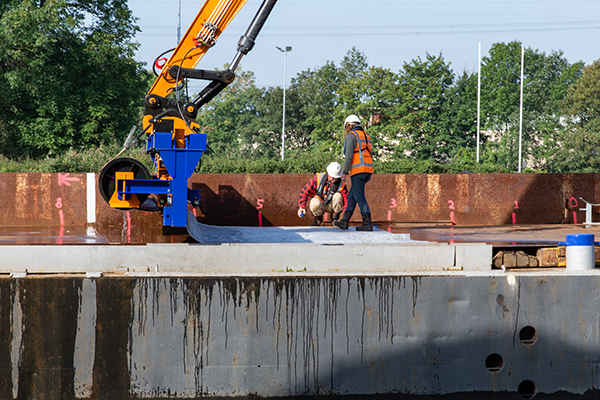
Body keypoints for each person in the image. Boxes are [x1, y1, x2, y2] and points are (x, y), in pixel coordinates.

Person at [334, 114, 374, 231]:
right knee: (352, 195)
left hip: (358, 170)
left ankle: (367, 223)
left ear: (348, 125)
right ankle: (345, 221)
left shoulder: (352, 135)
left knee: (359, 196)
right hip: (367, 169)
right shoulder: (366, 135)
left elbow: (349, 156)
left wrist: (344, 171)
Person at [298, 162, 348, 226]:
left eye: (335, 177)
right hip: (319, 204)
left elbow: (347, 201)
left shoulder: (341, 185)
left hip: (331, 206)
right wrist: (302, 207)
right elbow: (305, 192)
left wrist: (346, 218)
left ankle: (335, 219)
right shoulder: (318, 178)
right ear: (328, 173)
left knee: (338, 196)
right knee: (314, 203)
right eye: (332, 176)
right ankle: (318, 219)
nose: (333, 178)